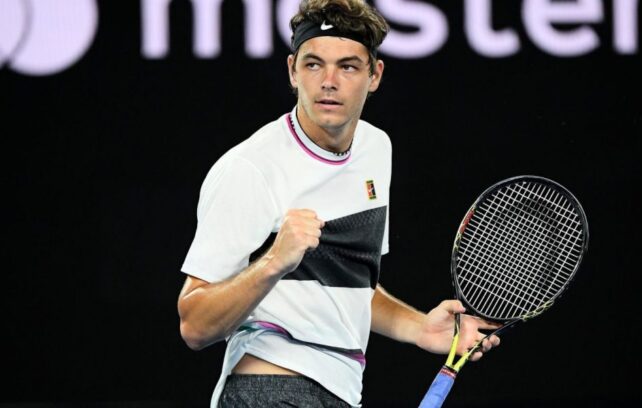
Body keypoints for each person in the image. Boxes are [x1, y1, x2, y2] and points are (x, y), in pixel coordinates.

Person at [178, 0, 501, 406]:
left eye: (347, 67)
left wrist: (420, 328)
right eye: (314, 65)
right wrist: (274, 261)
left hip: (342, 390)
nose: (328, 81)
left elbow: (350, 285)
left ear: (374, 75)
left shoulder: (375, 148)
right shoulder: (250, 168)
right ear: (292, 71)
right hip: (270, 386)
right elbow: (194, 325)